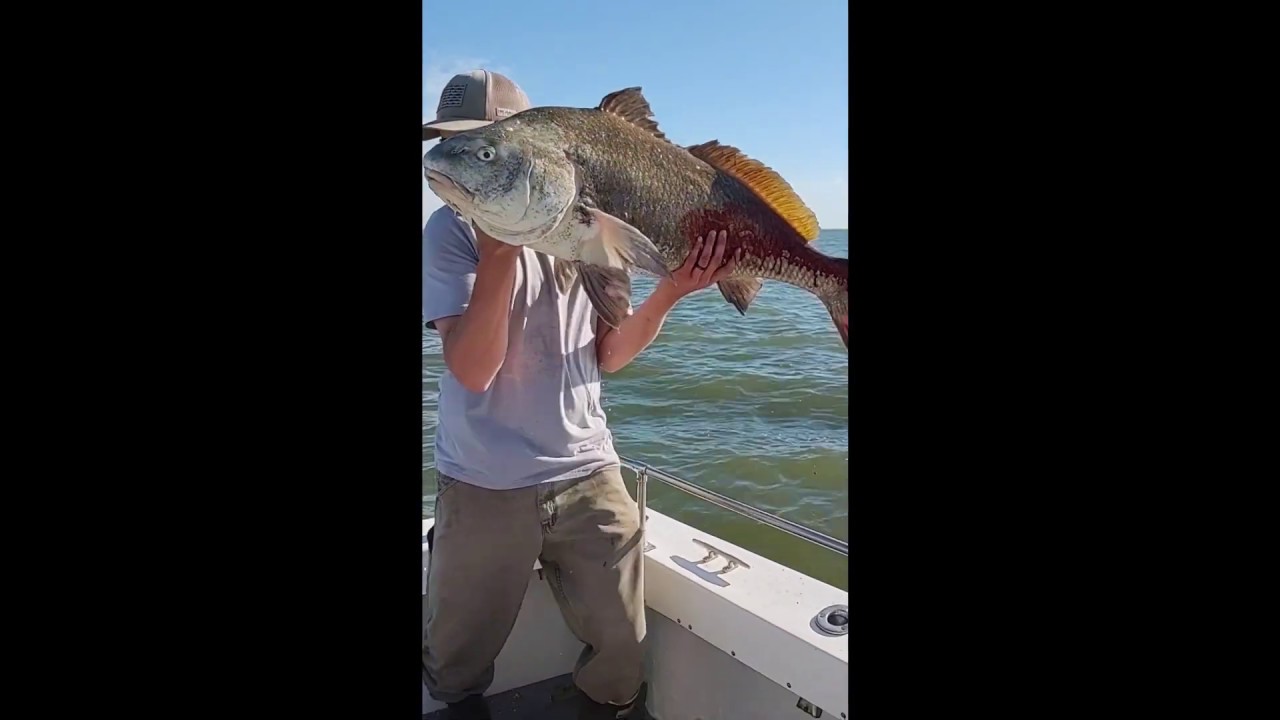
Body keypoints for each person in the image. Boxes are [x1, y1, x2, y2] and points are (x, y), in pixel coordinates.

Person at [422, 69, 738, 720]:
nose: (450, 160)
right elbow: (474, 371)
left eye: (482, 150)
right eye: (448, 144)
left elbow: (609, 355)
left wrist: (671, 292)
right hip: (483, 479)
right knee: (455, 661)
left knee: (622, 651)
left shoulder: (592, 225)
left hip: (588, 470)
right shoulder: (449, 232)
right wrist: (501, 251)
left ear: (539, 147)